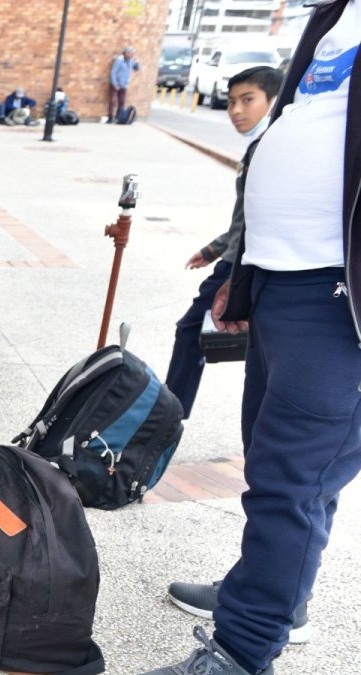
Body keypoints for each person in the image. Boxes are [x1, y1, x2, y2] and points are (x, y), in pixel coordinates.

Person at [147, 2, 361, 673]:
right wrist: (243, 276)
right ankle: (270, 594)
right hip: (279, 279)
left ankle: (242, 650)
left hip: (338, 295)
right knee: (278, 469)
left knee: (290, 481)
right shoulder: (332, 17)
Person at [163, 66, 282, 420]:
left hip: (242, 264)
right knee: (252, 347)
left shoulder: (270, 148)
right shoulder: (262, 146)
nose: (236, 110)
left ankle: (168, 416)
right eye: (231, 102)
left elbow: (261, 217)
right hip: (239, 257)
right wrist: (212, 249)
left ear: (274, 100)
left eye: (248, 100)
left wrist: (229, 264)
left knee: (191, 332)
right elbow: (245, 216)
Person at [107, 45, 140, 124]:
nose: (132, 55)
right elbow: (113, 72)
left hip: (124, 85)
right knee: (113, 101)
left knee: (122, 102)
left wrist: (137, 63)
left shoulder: (131, 61)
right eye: (131, 53)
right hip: (116, 84)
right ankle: (110, 117)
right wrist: (115, 84)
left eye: (133, 54)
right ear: (126, 53)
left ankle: (119, 117)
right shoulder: (119, 60)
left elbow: (136, 68)